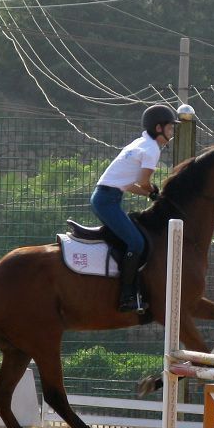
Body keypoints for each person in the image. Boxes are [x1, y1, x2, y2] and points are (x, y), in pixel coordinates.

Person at [90, 104, 179, 313]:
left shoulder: (139, 144)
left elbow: (129, 184)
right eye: (170, 128)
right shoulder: (151, 150)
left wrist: (149, 194)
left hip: (106, 197)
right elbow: (142, 180)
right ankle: (127, 296)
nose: (172, 132)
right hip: (107, 201)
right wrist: (152, 189)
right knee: (137, 243)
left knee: (133, 238)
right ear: (159, 128)